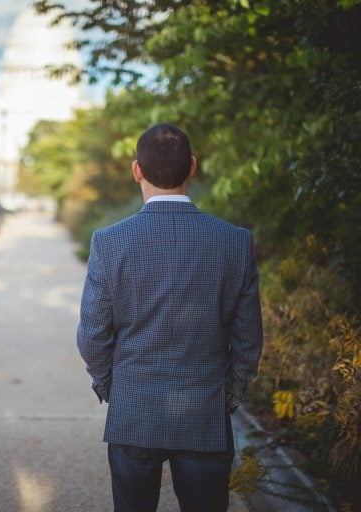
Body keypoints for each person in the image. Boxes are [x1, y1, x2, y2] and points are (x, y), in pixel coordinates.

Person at [77, 123, 263, 512]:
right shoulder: (233, 241)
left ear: (136, 170)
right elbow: (248, 340)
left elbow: (93, 334)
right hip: (204, 411)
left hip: (134, 409)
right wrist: (228, 395)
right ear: (192, 167)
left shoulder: (109, 242)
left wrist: (115, 388)